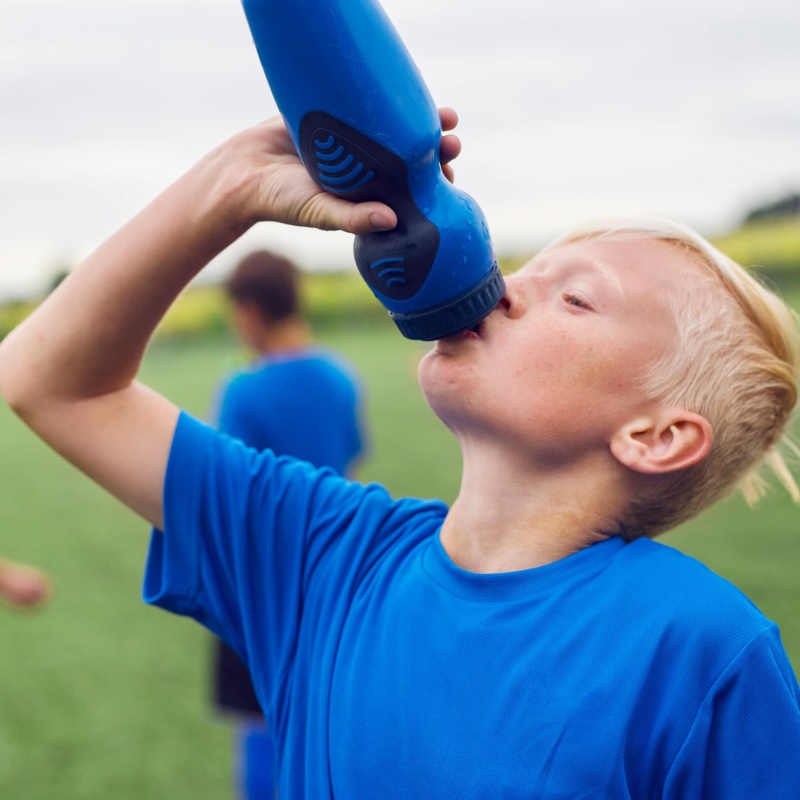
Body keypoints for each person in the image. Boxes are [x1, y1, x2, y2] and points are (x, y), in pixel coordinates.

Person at [0, 110, 798, 798]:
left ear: (655, 436)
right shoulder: (326, 555)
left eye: (577, 297)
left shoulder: (701, 650)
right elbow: (53, 381)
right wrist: (227, 187)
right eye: (525, 268)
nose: (504, 285)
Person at [210, 248, 366, 799]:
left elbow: (231, 496)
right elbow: (351, 457)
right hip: (333, 572)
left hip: (263, 582)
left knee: (260, 724)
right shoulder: (341, 376)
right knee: (321, 719)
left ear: (249, 311)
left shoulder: (243, 389)